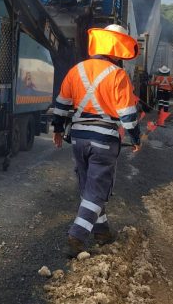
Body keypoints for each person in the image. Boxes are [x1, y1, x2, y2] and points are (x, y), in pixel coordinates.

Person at [51, 24, 141, 258]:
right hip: (104, 139)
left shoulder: (76, 70)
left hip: (79, 138)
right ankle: (77, 236)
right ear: (116, 50)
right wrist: (136, 138)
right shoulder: (118, 75)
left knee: (88, 187)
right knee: (96, 190)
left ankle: (102, 233)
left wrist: (58, 129)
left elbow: (61, 104)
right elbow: (128, 114)